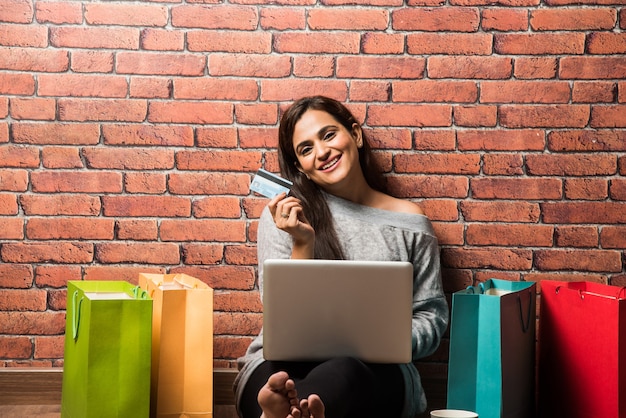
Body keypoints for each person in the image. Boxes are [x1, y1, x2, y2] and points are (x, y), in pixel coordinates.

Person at [234, 96, 449, 418]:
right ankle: (292, 410)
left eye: (328, 135)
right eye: (305, 149)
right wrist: (303, 242)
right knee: (275, 379)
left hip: (374, 369)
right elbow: (283, 317)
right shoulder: (285, 217)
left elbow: (431, 318)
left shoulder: (410, 223)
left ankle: (285, 413)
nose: (321, 152)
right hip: (283, 363)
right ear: (298, 166)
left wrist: (379, 343)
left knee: (344, 370)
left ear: (356, 135)